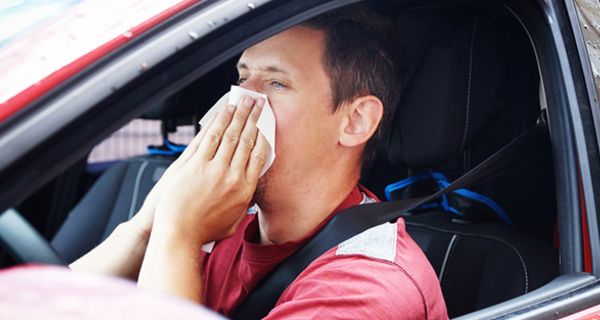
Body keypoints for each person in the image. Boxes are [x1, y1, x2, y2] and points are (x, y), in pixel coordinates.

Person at [71, 4, 448, 319]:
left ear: (355, 121)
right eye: (242, 78)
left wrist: (179, 235)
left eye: (276, 84)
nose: (238, 102)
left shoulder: (368, 287)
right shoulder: (223, 221)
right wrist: (149, 224)